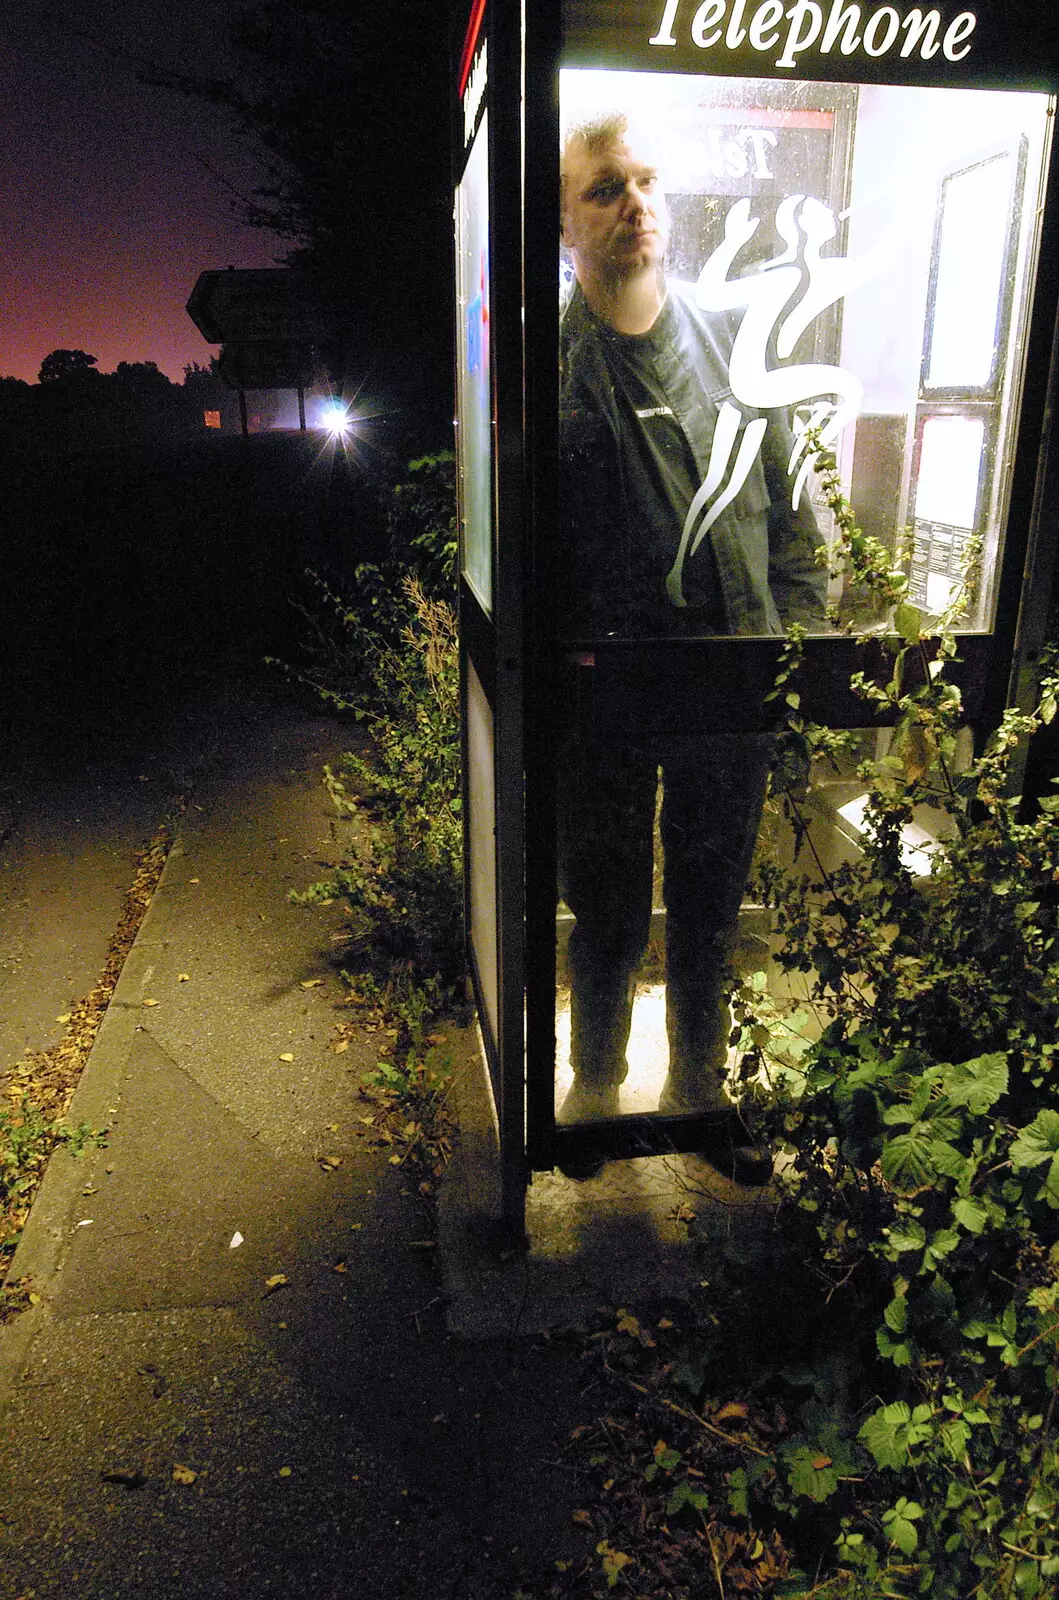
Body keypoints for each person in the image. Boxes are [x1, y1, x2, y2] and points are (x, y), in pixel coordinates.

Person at [556, 111, 827, 1184]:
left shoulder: (727, 340)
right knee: (609, 900)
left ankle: (700, 1093)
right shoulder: (552, 364)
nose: (635, 204)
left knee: (711, 901)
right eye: (605, 188)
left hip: (727, 679)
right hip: (606, 695)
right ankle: (591, 1082)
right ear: (567, 224)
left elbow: (796, 514)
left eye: (647, 183)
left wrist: (792, 658)